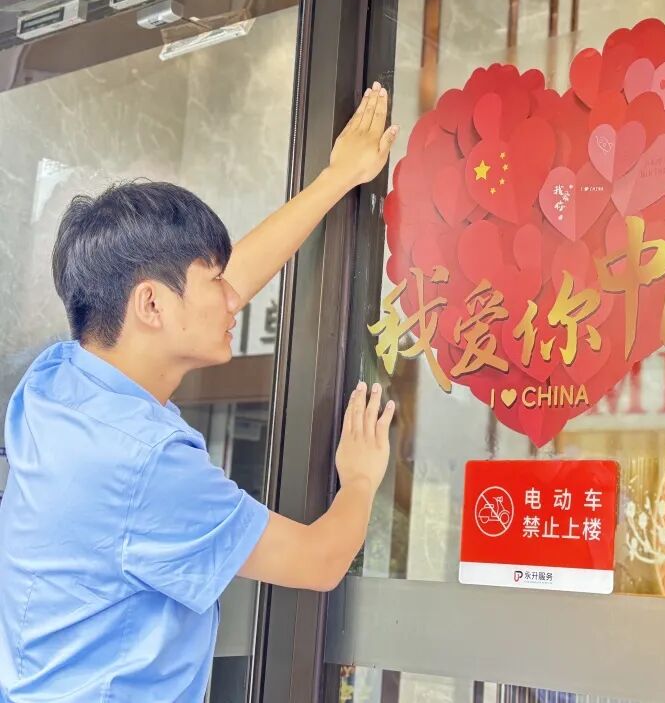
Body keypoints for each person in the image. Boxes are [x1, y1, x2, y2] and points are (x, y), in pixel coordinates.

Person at [0, 82, 399, 702]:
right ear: (151, 305)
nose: (231, 297)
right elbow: (319, 561)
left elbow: (235, 280)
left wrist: (337, 179)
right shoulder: (145, 464)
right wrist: (362, 480)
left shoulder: (54, 383)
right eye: (212, 280)